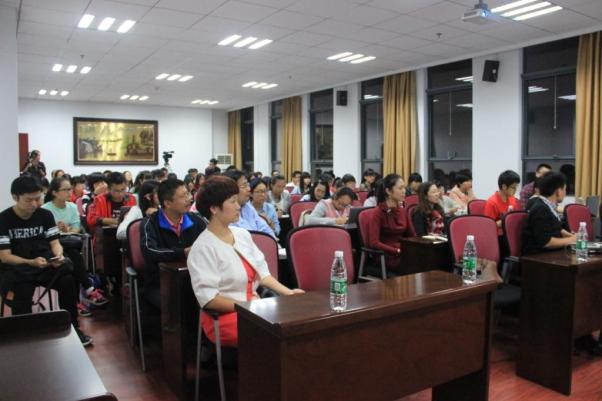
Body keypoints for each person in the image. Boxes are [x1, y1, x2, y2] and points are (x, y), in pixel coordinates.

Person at [188, 175, 304, 347]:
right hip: (225, 316)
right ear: (214, 208)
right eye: (232, 201)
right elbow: (209, 299)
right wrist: (248, 305)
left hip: (253, 308)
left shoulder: (242, 234)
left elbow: (263, 275)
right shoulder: (203, 247)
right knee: (278, 335)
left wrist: (289, 293)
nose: (238, 206)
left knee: (298, 323)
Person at [0, 176, 92, 345]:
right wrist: (30, 262)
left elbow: (55, 243)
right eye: (29, 200)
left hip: (43, 264)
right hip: (19, 268)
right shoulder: (4, 219)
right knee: (22, 290)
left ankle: (72, 326)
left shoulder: (45, 215)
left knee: (67, 280)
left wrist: (58, 256)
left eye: (38, 199)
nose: (35, 204)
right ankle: (23, 334)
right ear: (15, 197)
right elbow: (5, 256)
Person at [42, 177, 108, 315]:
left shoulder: (72, 206)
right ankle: (88, 289)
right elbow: (44, 233)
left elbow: (76, 228)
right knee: (73, 257)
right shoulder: (45, 209)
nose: (69, 192)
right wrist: (57, 230)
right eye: (65, 190)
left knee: (72, 255)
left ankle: (77, 302)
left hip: (69, 241)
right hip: (53, 246)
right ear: (54, 192)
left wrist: (67, 229)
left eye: (69, 189)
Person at [140, 179, 206, 310]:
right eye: (183, 196)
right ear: (167, 203)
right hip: (160, 283)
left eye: (188, 193)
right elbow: (149, 251)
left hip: (195, 280)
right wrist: (183, 252)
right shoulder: (150, 223)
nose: (189, 199)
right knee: (179, 304)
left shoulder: (197, 220)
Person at [522, 172, 576, 254]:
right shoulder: (540, 209)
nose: (565, 193)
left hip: (550, 254)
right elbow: (546, 242)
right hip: (537, 257)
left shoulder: (548, 206)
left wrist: (572, 236)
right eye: (564, 189)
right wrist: (572, 240)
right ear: (558, 191)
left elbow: (556, 229)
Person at [366, 174, 407, 271]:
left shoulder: (402, 211)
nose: (404, 191)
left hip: (402, 252)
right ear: (388, 191)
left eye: (404, 188)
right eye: (400, 188)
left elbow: (412, 235)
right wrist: (396, 251)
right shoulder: (377, 213)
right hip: (386, 255)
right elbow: (374, 243)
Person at [225, 170, 275, 237]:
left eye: (248, 185)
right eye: (244, 186)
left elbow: (265, 228)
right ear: (232, 190)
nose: (249, 189)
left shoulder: (248, 206)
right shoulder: (227, 213)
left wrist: (271, 240)